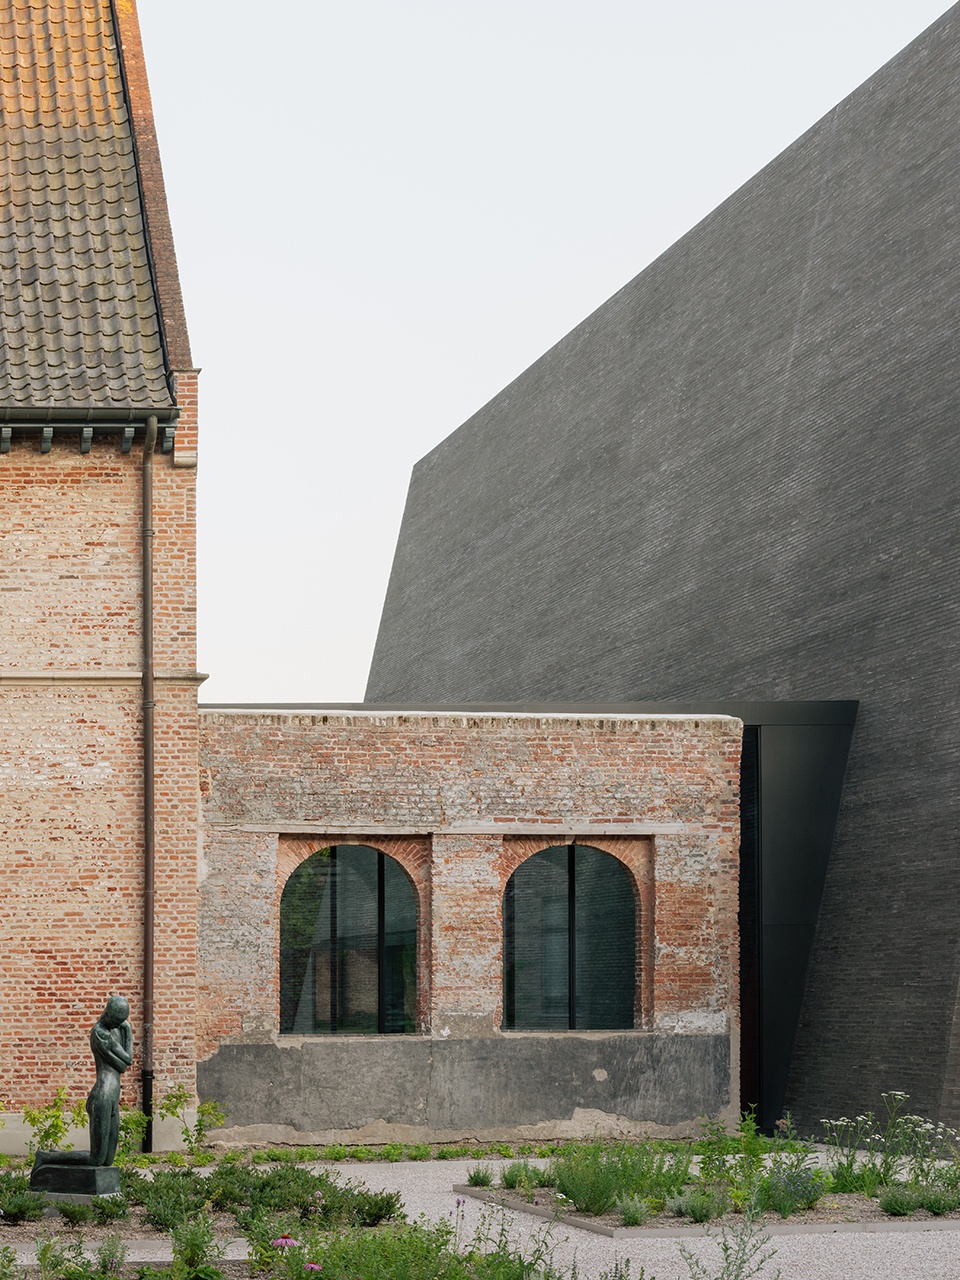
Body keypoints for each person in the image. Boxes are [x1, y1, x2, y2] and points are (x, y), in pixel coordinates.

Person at [86, 995, 134, 1167]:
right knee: (96, 1159)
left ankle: (51, 1156)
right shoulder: (100, 1033)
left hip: (113, 1096)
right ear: (107, 1014)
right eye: (116, 1021)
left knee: (108, 1160)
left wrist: (125, 1028)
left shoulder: (115, 1028)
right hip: (103, 1096)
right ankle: (47, 1158)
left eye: (121, 1022)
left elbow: (124, 1063)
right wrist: (128, 1031)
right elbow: (126, 1061)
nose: (118, 1025)